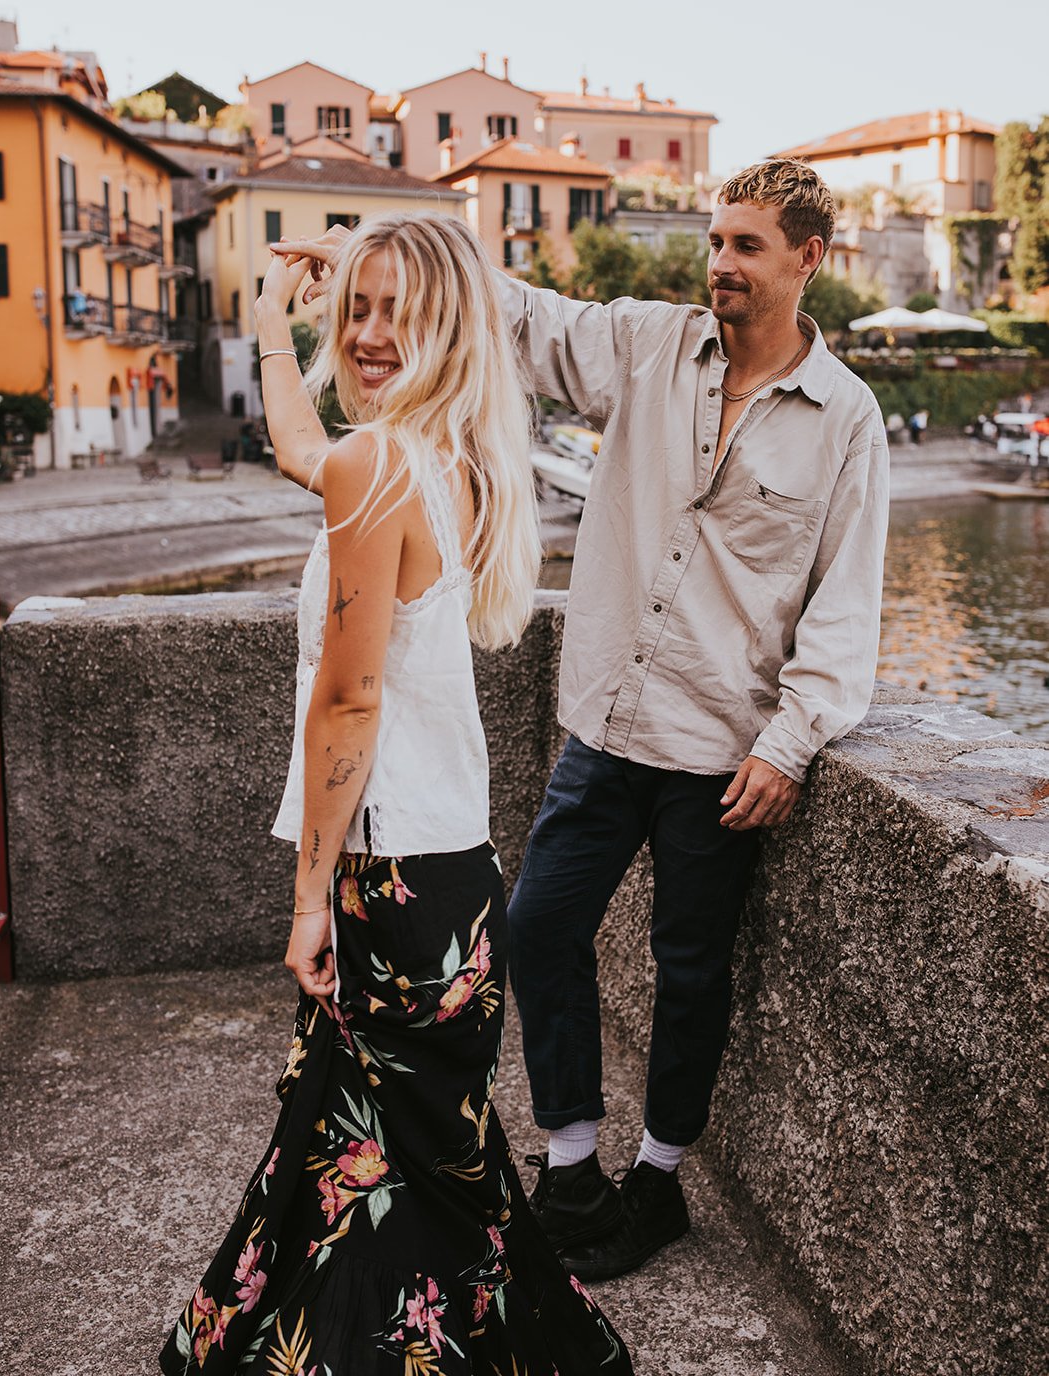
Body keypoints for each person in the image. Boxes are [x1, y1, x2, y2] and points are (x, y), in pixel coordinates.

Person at [275, 158, 890, 1285]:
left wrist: (790, 739)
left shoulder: (846, 419)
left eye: (747, 246)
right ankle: (569, 1161)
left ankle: (654, 1182)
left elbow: (846, 602)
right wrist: (371, 250)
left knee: (690, 969)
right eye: (714, 240)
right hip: (604, 723)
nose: (720, 263)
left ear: (807, 259)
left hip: (723, 749)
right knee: (538, 927)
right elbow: (513, 312)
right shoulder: (651, 346)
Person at [160, 215, 632, 1374]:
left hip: (388, 883)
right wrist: (272, 318)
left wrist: (306, 895)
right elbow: (295, 449)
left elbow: (349, 701)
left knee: (389, 1178)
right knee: (411, 1172)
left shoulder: (379, 464)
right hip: (455, 884)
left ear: (447, 324)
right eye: (355, 307)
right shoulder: (451, 456)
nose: (368, 334)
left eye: (396, 310)